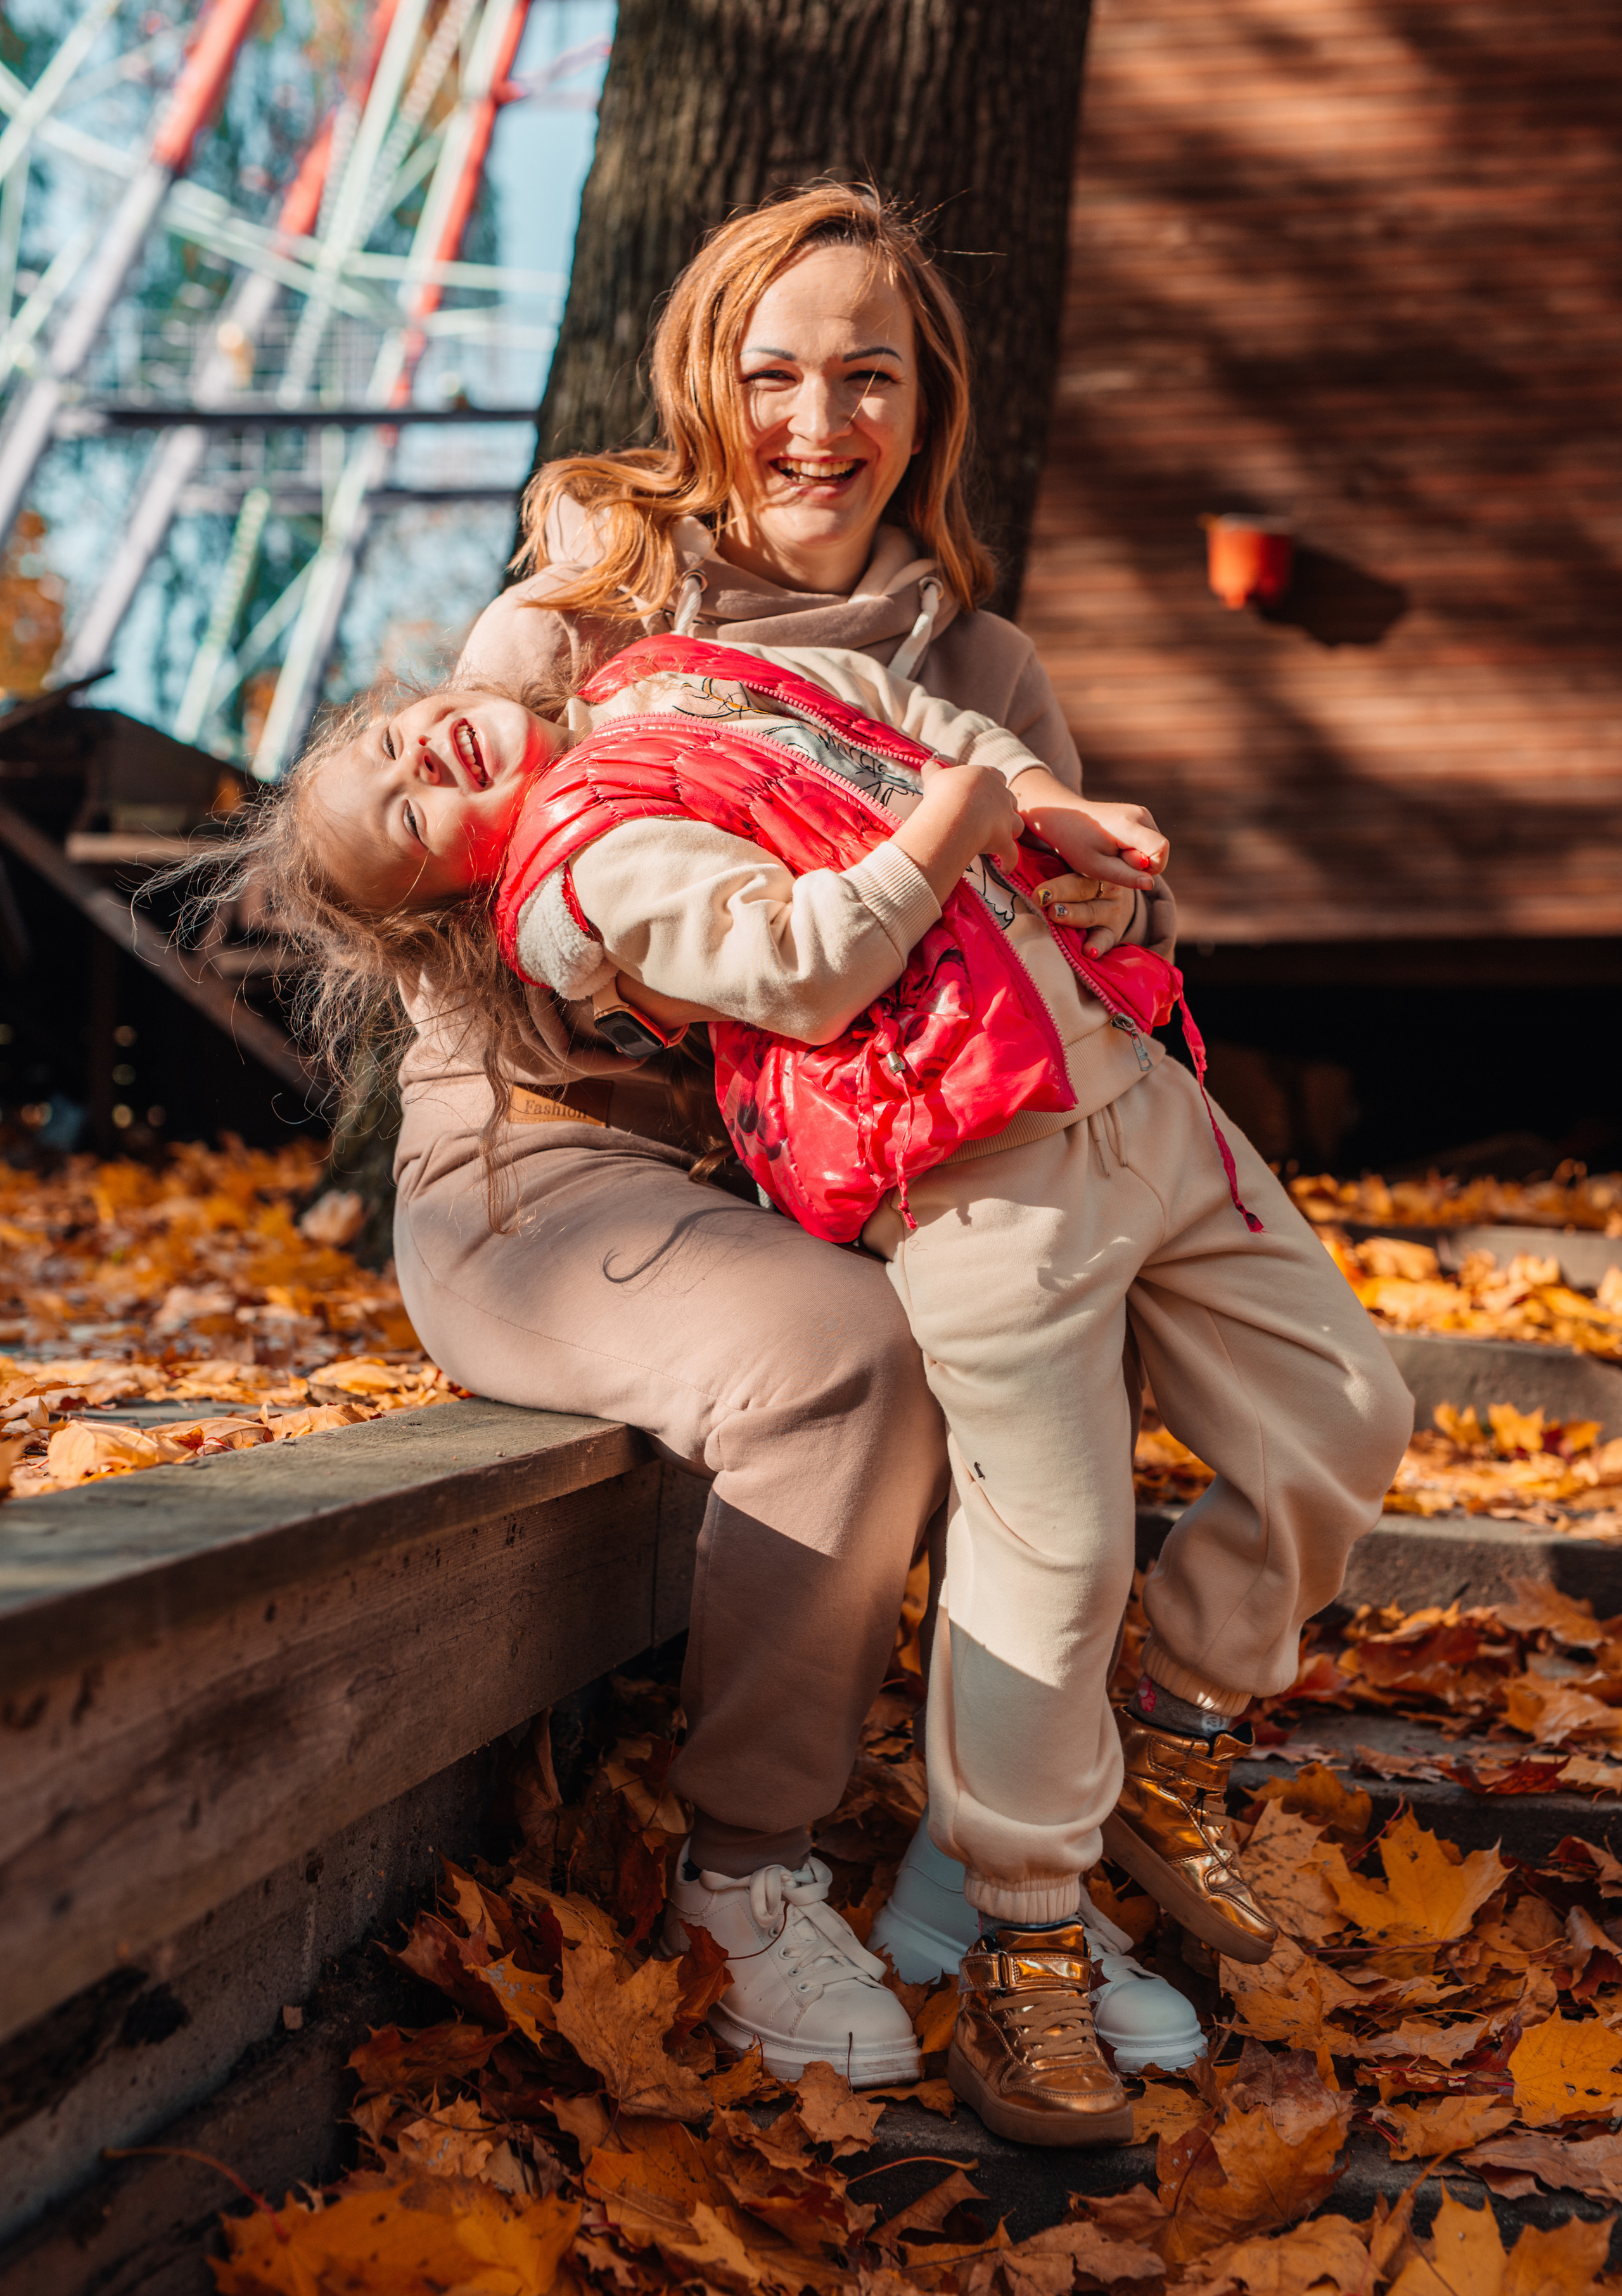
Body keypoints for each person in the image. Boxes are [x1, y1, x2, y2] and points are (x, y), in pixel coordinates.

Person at [220, 185, 1412, 2143]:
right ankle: (751, 1870)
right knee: (860, 1346)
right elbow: (505, 908)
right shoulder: (583, 617)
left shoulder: (980, 657)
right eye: (772, 374)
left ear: (924, 404)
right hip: (562, 1172)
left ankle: (997, 1863)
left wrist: (1100, 910)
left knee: (1055, 1302)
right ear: (708, 385)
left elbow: (1065, 924)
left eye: (868, 376)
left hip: (882, 1147)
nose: (816, 421)